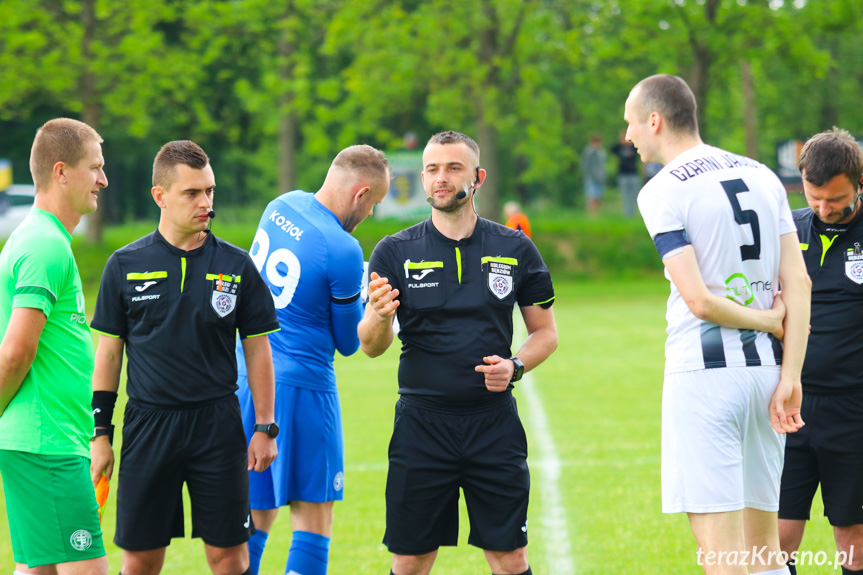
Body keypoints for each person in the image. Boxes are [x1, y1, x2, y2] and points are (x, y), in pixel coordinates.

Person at [625, 74, 811, 575]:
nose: (628, 136)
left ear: (655, 120)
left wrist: (765, 319)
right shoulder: (763, 174)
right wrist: (791, 377)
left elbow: (700, 302)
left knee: (723, 556)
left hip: (705, 379)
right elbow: (799, 282)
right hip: (768, 377)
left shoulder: (660, 190)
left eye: (631, 123)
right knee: (766, 553)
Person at [359, 131, 558, 575]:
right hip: (421, 426)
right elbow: (371, 346)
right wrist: (376, 316)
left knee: (510, 558)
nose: (440, 178)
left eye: (453, 168)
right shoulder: (394, 252)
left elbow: (545, 333)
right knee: (410, 560)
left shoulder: (515, 248)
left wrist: (515, 365)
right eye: (431, 169)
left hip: (494, 425)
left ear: (478, 177)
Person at [89, 140, 279, 575]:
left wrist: (266, 426)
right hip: (147, 425)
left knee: (230, 558)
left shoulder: (237, 266)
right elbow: (110, 355)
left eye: (210, 191)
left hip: (217, 426)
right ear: (160, 196)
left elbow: (258, 351)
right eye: (192, 193)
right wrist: (101, 434)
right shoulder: (124, 264)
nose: (205, 203)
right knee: (140, 560)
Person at [236, 145, 391, 575]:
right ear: (360, 194)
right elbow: (347, 342)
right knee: (314, 514)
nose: (371, 214)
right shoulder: (342, 248)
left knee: (258, 510)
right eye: (374, 204)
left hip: (247, 373)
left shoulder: (280, 204)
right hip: (302, 386)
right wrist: (372, 305)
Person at [0, 118, 109, 575]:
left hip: (45, 443)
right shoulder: (46, 245)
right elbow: (15, 352)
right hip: (48, 448)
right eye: (95, 168)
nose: (103, 179)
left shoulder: (43, 239)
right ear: (61, 171)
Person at [778, 128, 863, 575]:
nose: (824, 209)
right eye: (814, 197)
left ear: (859, 184)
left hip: (853, 410)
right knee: (776, 538)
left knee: (852, 536)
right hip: (788, 403)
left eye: (836, 199)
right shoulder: (786, 231)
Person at [610, 130, 642, 217]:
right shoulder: (619, 147)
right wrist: (620, 142)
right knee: (625, 195)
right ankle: (627, 214)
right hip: (622, 174)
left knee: (634, 194)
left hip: (633, 173)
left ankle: (633, 213)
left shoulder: (633, 147)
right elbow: (612, 149)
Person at [581, 134, 606, 218]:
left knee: (598, 197)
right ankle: (591, 215)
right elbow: (585, 165)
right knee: (591, 196)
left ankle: (596, 214)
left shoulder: (601, 152)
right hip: (590, 178)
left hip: (599, 178)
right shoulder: (588, 151)